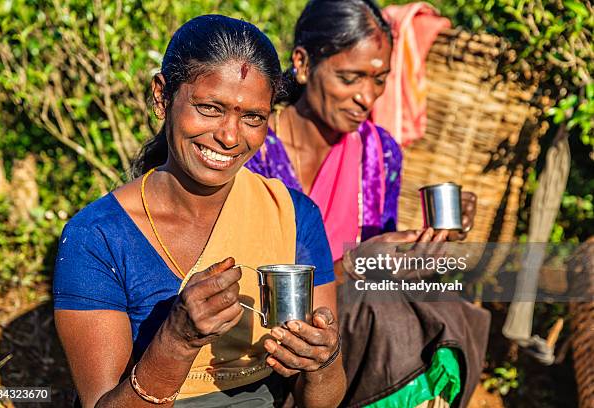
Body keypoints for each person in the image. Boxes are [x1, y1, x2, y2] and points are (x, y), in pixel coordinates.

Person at [53, 15, 346, 408]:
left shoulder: (292, 217)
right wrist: (176, 341)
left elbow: (321, 400)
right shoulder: (98, 237)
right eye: (209, 108)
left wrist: (322, 362)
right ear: (162, 96)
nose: (229, 136)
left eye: (253, 117)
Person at [245, 1, 490, 407]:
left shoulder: (380, 153)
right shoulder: (253, 151)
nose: (366, 96)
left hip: (356, 343)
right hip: (272, 340)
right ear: (303, 63)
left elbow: (378, 279)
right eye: (350, 77)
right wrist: (351, 266)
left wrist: (421, 248)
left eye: (380, 80)